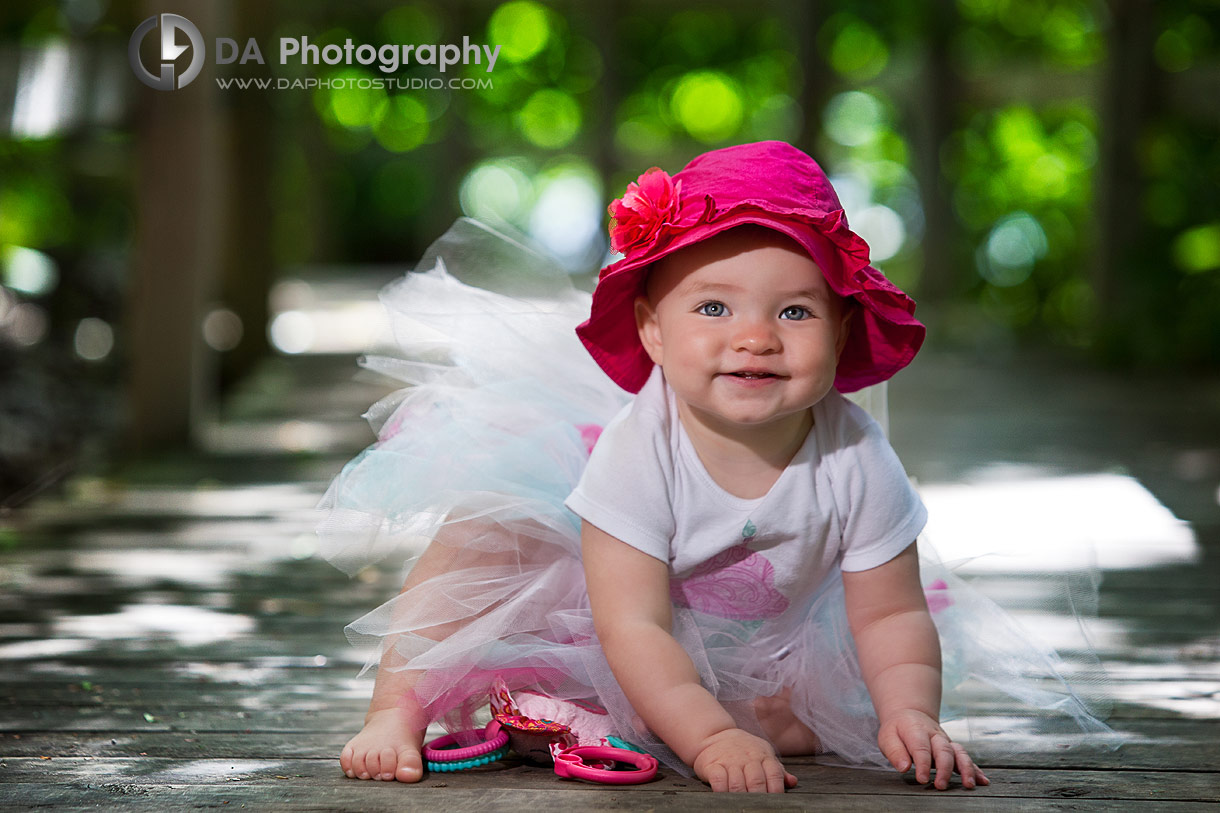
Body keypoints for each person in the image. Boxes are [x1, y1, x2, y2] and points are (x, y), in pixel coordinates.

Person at [321, 142, 1113, 793]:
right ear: (653, 332)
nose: (756, 337)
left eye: (795, 311)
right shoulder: (641, 449)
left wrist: (910, 710)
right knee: (487, 529)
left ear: (842, 334)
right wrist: (708, 740)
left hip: (750, 634)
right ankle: (398, 705)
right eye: (713, 306)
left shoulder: (855, 455)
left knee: (810, 727)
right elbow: (629, 622)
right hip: (606, 603)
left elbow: (890, 616)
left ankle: (570, 713)